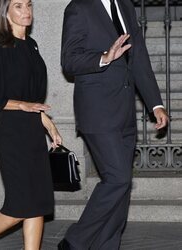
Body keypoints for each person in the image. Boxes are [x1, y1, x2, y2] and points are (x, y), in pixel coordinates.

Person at [59, 0, 168, 249]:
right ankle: (75, 241)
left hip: (125, 111)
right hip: (97, 112)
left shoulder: (126, 6)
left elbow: (138, 56)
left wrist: (155, 104)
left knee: (122, 185)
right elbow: (69, 60)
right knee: (118, 179)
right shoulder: (79, 7)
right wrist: (104, 57)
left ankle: (107, 246)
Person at [0, 0, 62, 249]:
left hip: (33, 131)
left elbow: (33, 99)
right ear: (5, 12)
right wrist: (22, 105)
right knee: (19, 205)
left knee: (37, 202)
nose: (26, 11)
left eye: (28, 5)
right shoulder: (0, 48)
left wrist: (48, 125)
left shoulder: (32, 46)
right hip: (12, 133)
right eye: (18, 6)